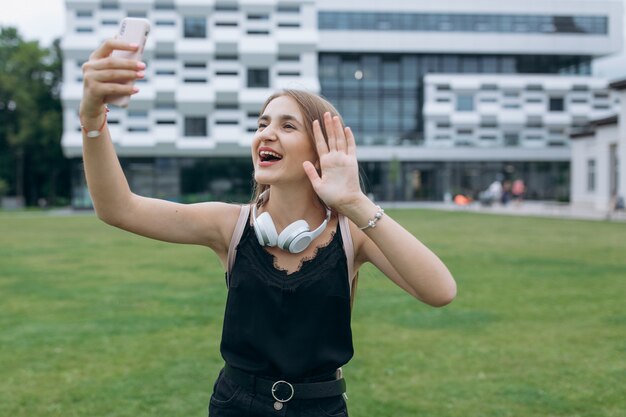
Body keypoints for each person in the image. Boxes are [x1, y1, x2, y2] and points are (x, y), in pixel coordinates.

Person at [79, 40, 457, 417]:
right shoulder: (228, 224)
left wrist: (355, 203)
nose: (266, 134)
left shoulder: (352, 233)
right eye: (262, 124)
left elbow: (440, 290)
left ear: (320, 149)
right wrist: (93, 118)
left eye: (286, 125)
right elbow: (118, 208)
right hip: (235, 405)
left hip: (320, 408)